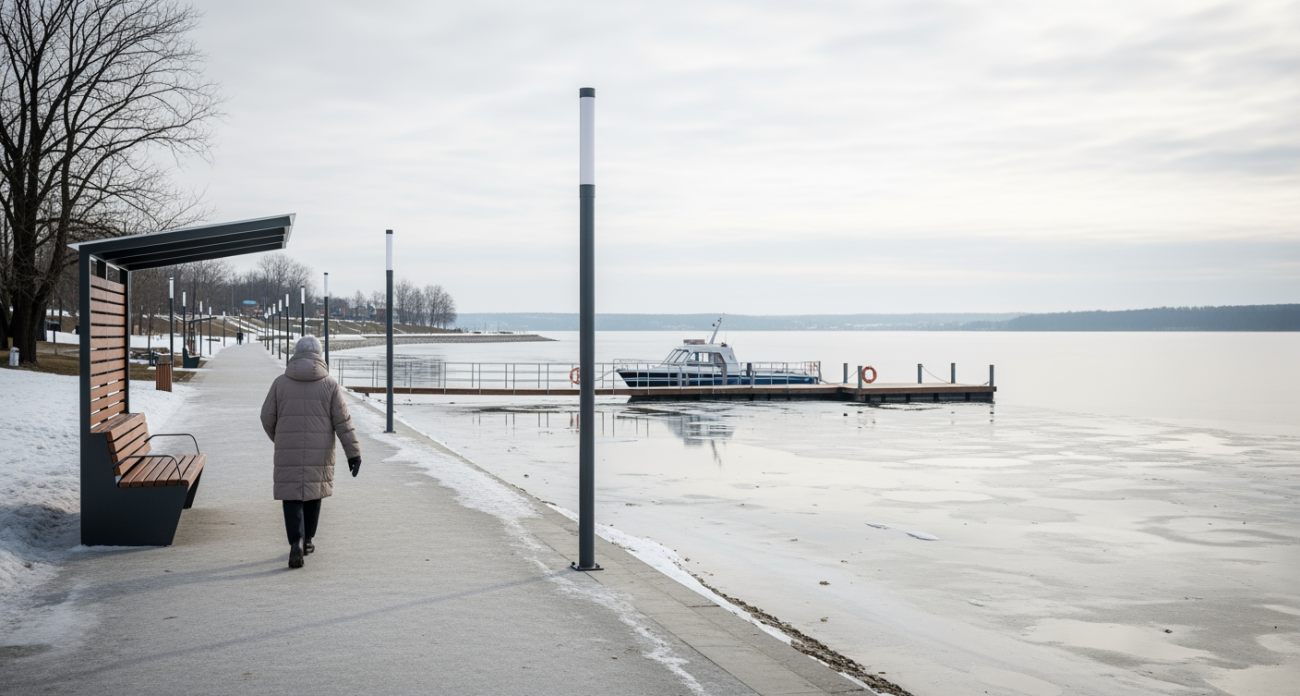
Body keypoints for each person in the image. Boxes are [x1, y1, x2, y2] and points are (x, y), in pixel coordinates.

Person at [260, 335, 361, 568]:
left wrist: (280, 439)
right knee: (314, 493)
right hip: (320, 451)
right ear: (319, 355)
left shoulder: (280, 383)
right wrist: (353, 453)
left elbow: (266, 417)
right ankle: (309, 540)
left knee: (291, 494)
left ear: (296, 354)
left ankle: (295, 540)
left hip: (288, 449)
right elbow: (343, 422)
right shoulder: (330, 384)